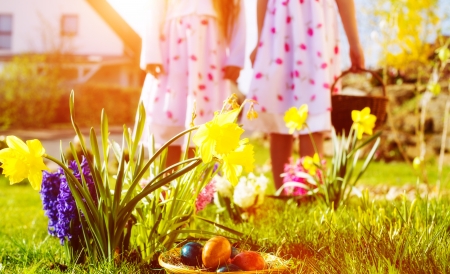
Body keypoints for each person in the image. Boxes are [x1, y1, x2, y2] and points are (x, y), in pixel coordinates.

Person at [245, 0, 365, 190]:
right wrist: (260, 41)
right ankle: (283, 194)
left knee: (313, 109)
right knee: (279, 106)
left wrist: (354, 42)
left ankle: (307, 192)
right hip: (279, 27)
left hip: (315, 26)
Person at [139, 0, 246, 167]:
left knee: (204, 127)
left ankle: (199, 189)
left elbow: (236, 10)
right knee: (171, 120)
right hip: (172, 49)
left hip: (210, 51)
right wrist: (151, 53)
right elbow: (154, 6)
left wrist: (236, 56)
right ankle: (165, 188)